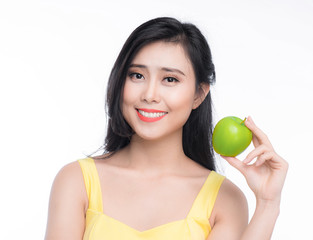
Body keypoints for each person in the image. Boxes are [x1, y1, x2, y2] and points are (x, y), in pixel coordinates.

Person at [45, 17, 288, 240]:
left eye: (170, 79)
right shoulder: (75, 180)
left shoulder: (225, 199)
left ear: (199, 94)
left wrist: (268, 203)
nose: (150, 95)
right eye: (137, 75)